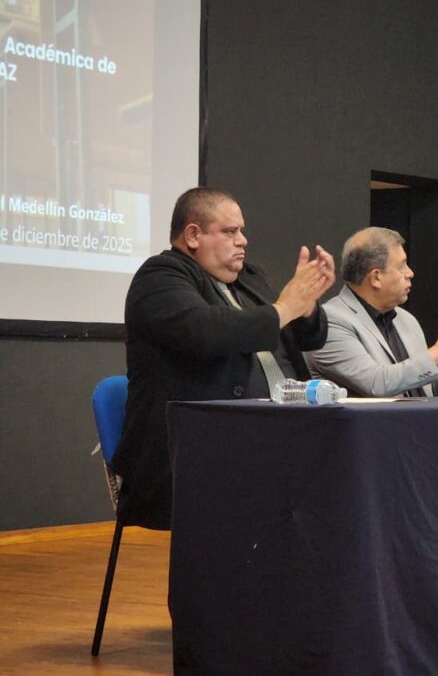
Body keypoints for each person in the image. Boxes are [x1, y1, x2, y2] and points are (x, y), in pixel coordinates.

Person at [113, 187, 334, 529]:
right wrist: (285, 307)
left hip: (279, 429)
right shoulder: (160, 277)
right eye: (230, 231)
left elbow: (309, 338)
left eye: (241, 230)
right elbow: (208, 333)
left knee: (348, 464)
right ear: (193, 235)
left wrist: (305, 306)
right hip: (198, 446)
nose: (243, 240)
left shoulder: (250, 279)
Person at [306, 227, 438, 397]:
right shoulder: (329, 323)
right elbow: (376, 384)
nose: (410, 273)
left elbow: (433, 395)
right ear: (376, 277)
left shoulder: (406, 320)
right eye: (402, 266)